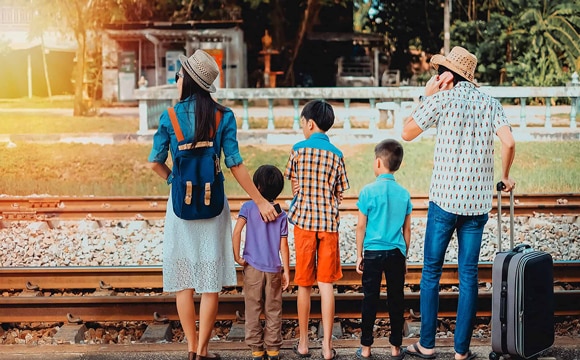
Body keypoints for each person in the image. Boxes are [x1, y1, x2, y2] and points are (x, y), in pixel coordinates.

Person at [148, 49, 278, 360]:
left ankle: (191, 349)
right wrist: (259, 200)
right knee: (209, 283)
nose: (176, 80)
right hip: (213, 205)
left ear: (189, 80)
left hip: (180, 209)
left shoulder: (169, 116)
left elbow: (154, 162)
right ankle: (204, 351)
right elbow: (235, 164)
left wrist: (173, 181)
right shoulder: (224, 116)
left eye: (179, 76)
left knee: (184, 282)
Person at [401, 46, 516, 360]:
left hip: (444, 200)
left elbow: (406, 132)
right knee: (469, 276)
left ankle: (426, 345)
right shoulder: (490, 103)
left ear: (447, 76)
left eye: (439, 73)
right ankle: (461, 352)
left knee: (431, 273)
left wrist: (426, 96)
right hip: (477, 204)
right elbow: (508, 141)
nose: (436, 78)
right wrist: (505, 176)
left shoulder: (441, 99)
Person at [284, 100, 350, 360]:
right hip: (328, 226)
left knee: (304, 284)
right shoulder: (337, 154)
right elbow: (339, 193)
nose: (302, 128)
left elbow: (294, 185)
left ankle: (302, 343)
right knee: (325, 285)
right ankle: (327, 346)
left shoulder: (298, 150)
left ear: (310, 124)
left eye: (302, 124)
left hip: (304, 225)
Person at [355, 139, 412, 360]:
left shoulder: (367, 191)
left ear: (378, 162)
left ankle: (366, 348)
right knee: (396, 299)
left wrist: (359, 254)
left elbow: (361, 226)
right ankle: (396, 348)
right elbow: (407, 231)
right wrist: (404, 255)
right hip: (396, 253)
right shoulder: (404, 193)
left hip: (373, 252)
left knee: (370, 298)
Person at [232, 164, 290, 360]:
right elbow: (284, 246)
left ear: (257, 186)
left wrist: (237, 256)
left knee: (253, 307)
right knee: (274, 308)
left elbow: (237, 231)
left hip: (253, 268)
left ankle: (257, 349)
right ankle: (273, 349)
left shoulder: (248, 207)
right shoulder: (281, 214)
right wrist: (287, 272)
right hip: (274, 268)